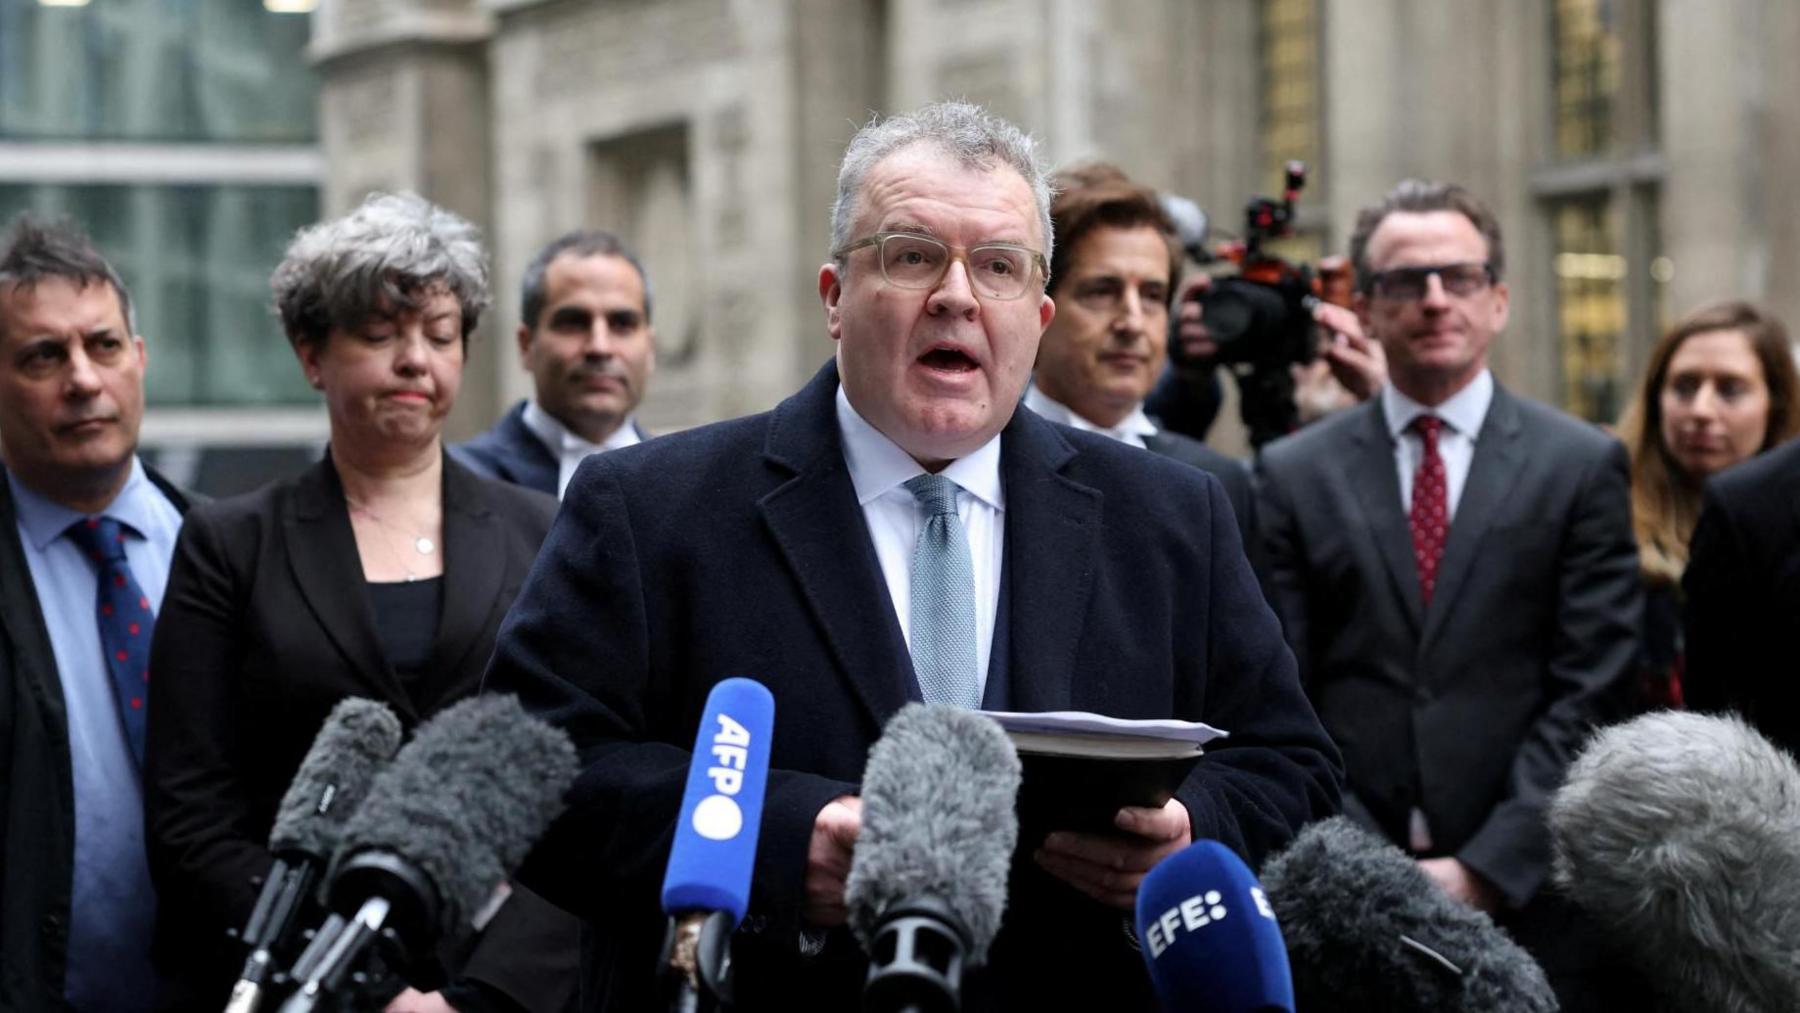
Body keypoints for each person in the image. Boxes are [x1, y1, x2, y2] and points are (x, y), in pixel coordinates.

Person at [484, 101, 1341, 1011]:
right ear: (834, 298)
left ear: (1039, 315)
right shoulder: (650, 509)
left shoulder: (1172, 517)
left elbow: (1294, 767)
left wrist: (1186, 834)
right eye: (912, 255)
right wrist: (769, 842)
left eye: (999, 267)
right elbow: (528, 769)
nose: (958, 296)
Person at [143, 193, 577, 1013]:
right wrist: (361, 980)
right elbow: (192, 817)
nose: (415, 360)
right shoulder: (230, 543)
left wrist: (486, 990)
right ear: (312, 355)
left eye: (440, 335)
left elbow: (584, 777)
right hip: (297, 978)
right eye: (380, 335)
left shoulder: (543, 530)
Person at [1254, 179, 1642, 1008]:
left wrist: (1487, 868)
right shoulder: (1293, 474)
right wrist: (1376, 872)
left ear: (1497, 300)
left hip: (1535, 899)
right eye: (1404, 282)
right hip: (1346, 905)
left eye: (1458, 277)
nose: (1434, 299)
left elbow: (1594, 687)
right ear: (1364, 307)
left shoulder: (1578, 466)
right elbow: (1283, 688)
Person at [0, 216, 194, 1012]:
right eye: (44, 356)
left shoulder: (230, 551)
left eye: (103, 345)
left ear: (139, 360)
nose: (82, 379)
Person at [1024, 162, 1254, 545]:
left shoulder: (1216, 483)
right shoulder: (981, 466)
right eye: (1102, 291)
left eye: (1152, 296)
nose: (1132, 323)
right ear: (1041, 308)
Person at [1616, 301, 1800, 708]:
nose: (1700, 410)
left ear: (1777, 403)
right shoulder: (1606, 518)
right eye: (1683, 386)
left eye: (1730, 390)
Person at [453, 230, 655, 497]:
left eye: (622, 324)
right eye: (573, 323)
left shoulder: (685, 481)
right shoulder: (463, 481)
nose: (600, 347)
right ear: (526, 345)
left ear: (650, 348)